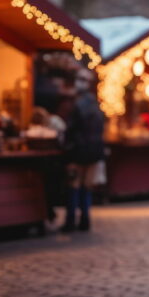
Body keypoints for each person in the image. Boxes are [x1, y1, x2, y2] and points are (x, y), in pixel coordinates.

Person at [61, 69, 105, 233]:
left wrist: (67, 147)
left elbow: (71, 130)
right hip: (94, 152)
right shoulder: (96, 105)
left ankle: (71, 220)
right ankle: (85, 219)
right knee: (86, 187)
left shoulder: (76, 104)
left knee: (74, 186)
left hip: (79, 152)